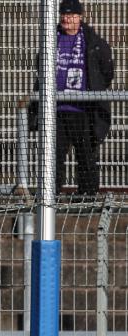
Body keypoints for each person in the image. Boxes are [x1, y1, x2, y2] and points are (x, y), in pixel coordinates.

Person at [54, 0, 114, 195]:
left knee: (86, 154)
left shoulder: (93, 41)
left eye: (71, 14)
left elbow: (106, 72)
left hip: (84, 109)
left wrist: (93, 90)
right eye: (64, 14)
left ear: (80, 17)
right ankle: (50, 194)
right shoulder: (51, 39)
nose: (66, 18)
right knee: (53, 157)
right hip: (56, 109)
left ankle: (87, 197)